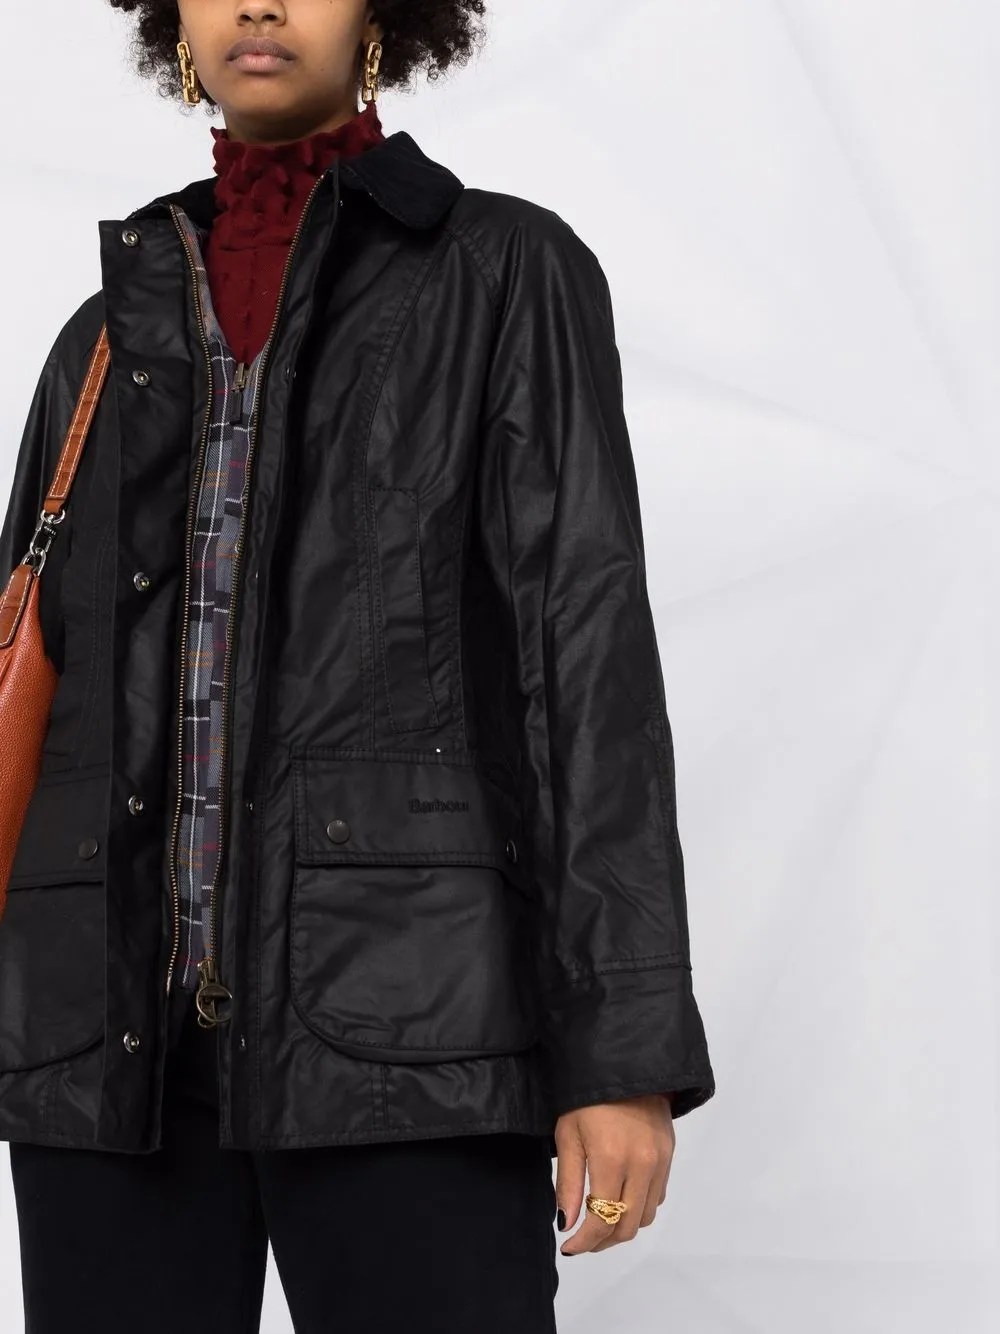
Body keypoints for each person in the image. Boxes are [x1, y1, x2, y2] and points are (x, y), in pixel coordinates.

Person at [0, 2, 716, 1330]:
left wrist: (622, 1050)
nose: (260, 4)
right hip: (105, 1055)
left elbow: (587, 660)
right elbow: (32, 691)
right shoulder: (104, 334)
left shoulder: (504, 271)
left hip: (413, 1027)